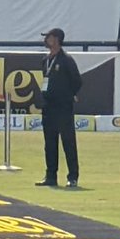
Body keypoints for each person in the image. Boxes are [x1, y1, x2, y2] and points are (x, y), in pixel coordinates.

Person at [35, 27, 83, 189]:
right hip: (48, 106)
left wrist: (69, 95)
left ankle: (73, 177)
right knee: (50, 143)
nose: (46, 40)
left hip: (63, 107)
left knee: (68, 142)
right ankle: (50, 176)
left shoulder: (66, 60)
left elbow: (77, 81)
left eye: (48, 37)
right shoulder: (45, 60)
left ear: (56, 39)